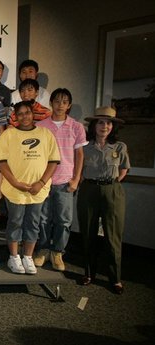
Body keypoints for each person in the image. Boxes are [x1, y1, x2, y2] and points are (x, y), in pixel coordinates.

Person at [0, 101, 60, 275]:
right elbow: (2, 163)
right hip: (15, 189)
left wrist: (41, 182)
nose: (25, 116)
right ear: (15, 117)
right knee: (15, 222)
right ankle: (14, 257)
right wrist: (16, 183)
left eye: (28, 112)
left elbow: (53, 161)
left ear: (33, 114)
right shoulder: (8, 135)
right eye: (21, 113)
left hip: (37, 189)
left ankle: (28, 257)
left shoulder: (46, 134)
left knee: (33, 223)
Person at [77, 106, 129, 295]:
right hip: (89, 190)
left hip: (112, 190)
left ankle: (115, 279)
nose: (104, 126)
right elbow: (79, 170)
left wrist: (110, 183)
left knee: (113, 236)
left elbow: (123, 170)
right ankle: (89, 274)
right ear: (93, 125)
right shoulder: (84, 146)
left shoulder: (120, 147)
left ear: (113, 127)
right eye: (100, 122)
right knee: (88, 232)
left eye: (108, 123)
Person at [34, 89, 87, 271]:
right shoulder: (41, 126)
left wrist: (76, 178)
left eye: (64, 102)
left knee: (64, 220)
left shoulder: (76, 127)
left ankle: (57, 252)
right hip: (44, 180)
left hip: (65, 181)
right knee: (43, 219)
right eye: (57, 101)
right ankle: (42, 250)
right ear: (51, 103)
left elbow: (79, 154)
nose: (60, 105)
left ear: (69, 105)